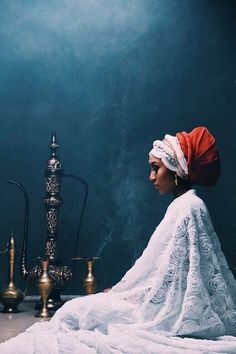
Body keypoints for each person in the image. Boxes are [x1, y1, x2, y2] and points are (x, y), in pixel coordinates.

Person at [1, 126, 236, 354]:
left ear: (176, 169)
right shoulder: (184, 205)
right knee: (75, 311)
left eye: (156, 168)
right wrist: (123, 290)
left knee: (74, 312)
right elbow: (159, 264)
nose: (151, 177)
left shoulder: (188, 207)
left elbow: (178, 275)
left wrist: (129, 294)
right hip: (149, 300)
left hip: (158, 310)